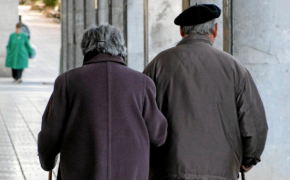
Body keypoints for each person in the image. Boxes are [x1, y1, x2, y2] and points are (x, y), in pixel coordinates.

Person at [143, 4, 268, 180]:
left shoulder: (157, 65)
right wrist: (249, 158)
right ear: (215, 30)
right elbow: (255, 124)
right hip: (222, 171)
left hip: (169, 170)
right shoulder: (234, 68)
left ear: (181, 31)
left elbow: (141, 117)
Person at [38, 25, 168, 180]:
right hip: (131, 172)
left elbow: (51, 134)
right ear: (121, 48)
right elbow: (158, 135)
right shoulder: (142, 83)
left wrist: (48, 162)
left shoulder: (68, 81)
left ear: (86, 48)